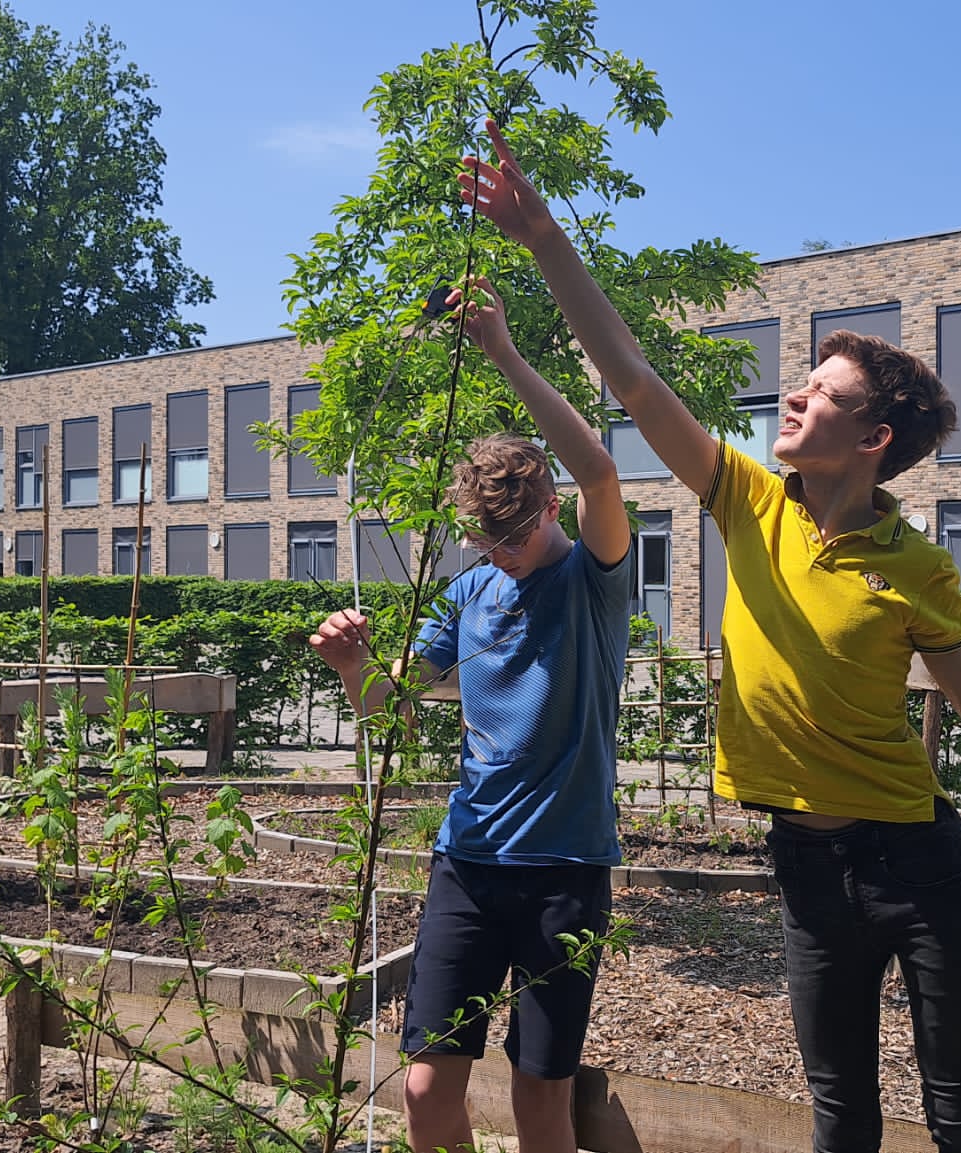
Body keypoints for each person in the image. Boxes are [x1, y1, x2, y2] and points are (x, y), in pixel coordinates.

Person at [460, 120, 961, 1153]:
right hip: (802, 859)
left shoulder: (916, 569)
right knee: (838, 1113)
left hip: (918, 864)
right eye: (799, 382)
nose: (790, 396)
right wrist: (544, 241)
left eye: (821, 393)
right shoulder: (743, 499)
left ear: (872, 438)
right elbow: (632, 381)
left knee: (959, 1114)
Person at [307, 278, 633, 1153]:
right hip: (469, 862)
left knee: (540, 1102)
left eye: (515, 537)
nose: (503, 554)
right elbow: (390, 707)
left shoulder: (595, 578)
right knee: (422, 1087)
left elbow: (602, 468)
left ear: (552, 509)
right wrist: (352, 664)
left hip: (566, 870)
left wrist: (502, 351)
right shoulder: (468, 590)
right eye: (487, 540)